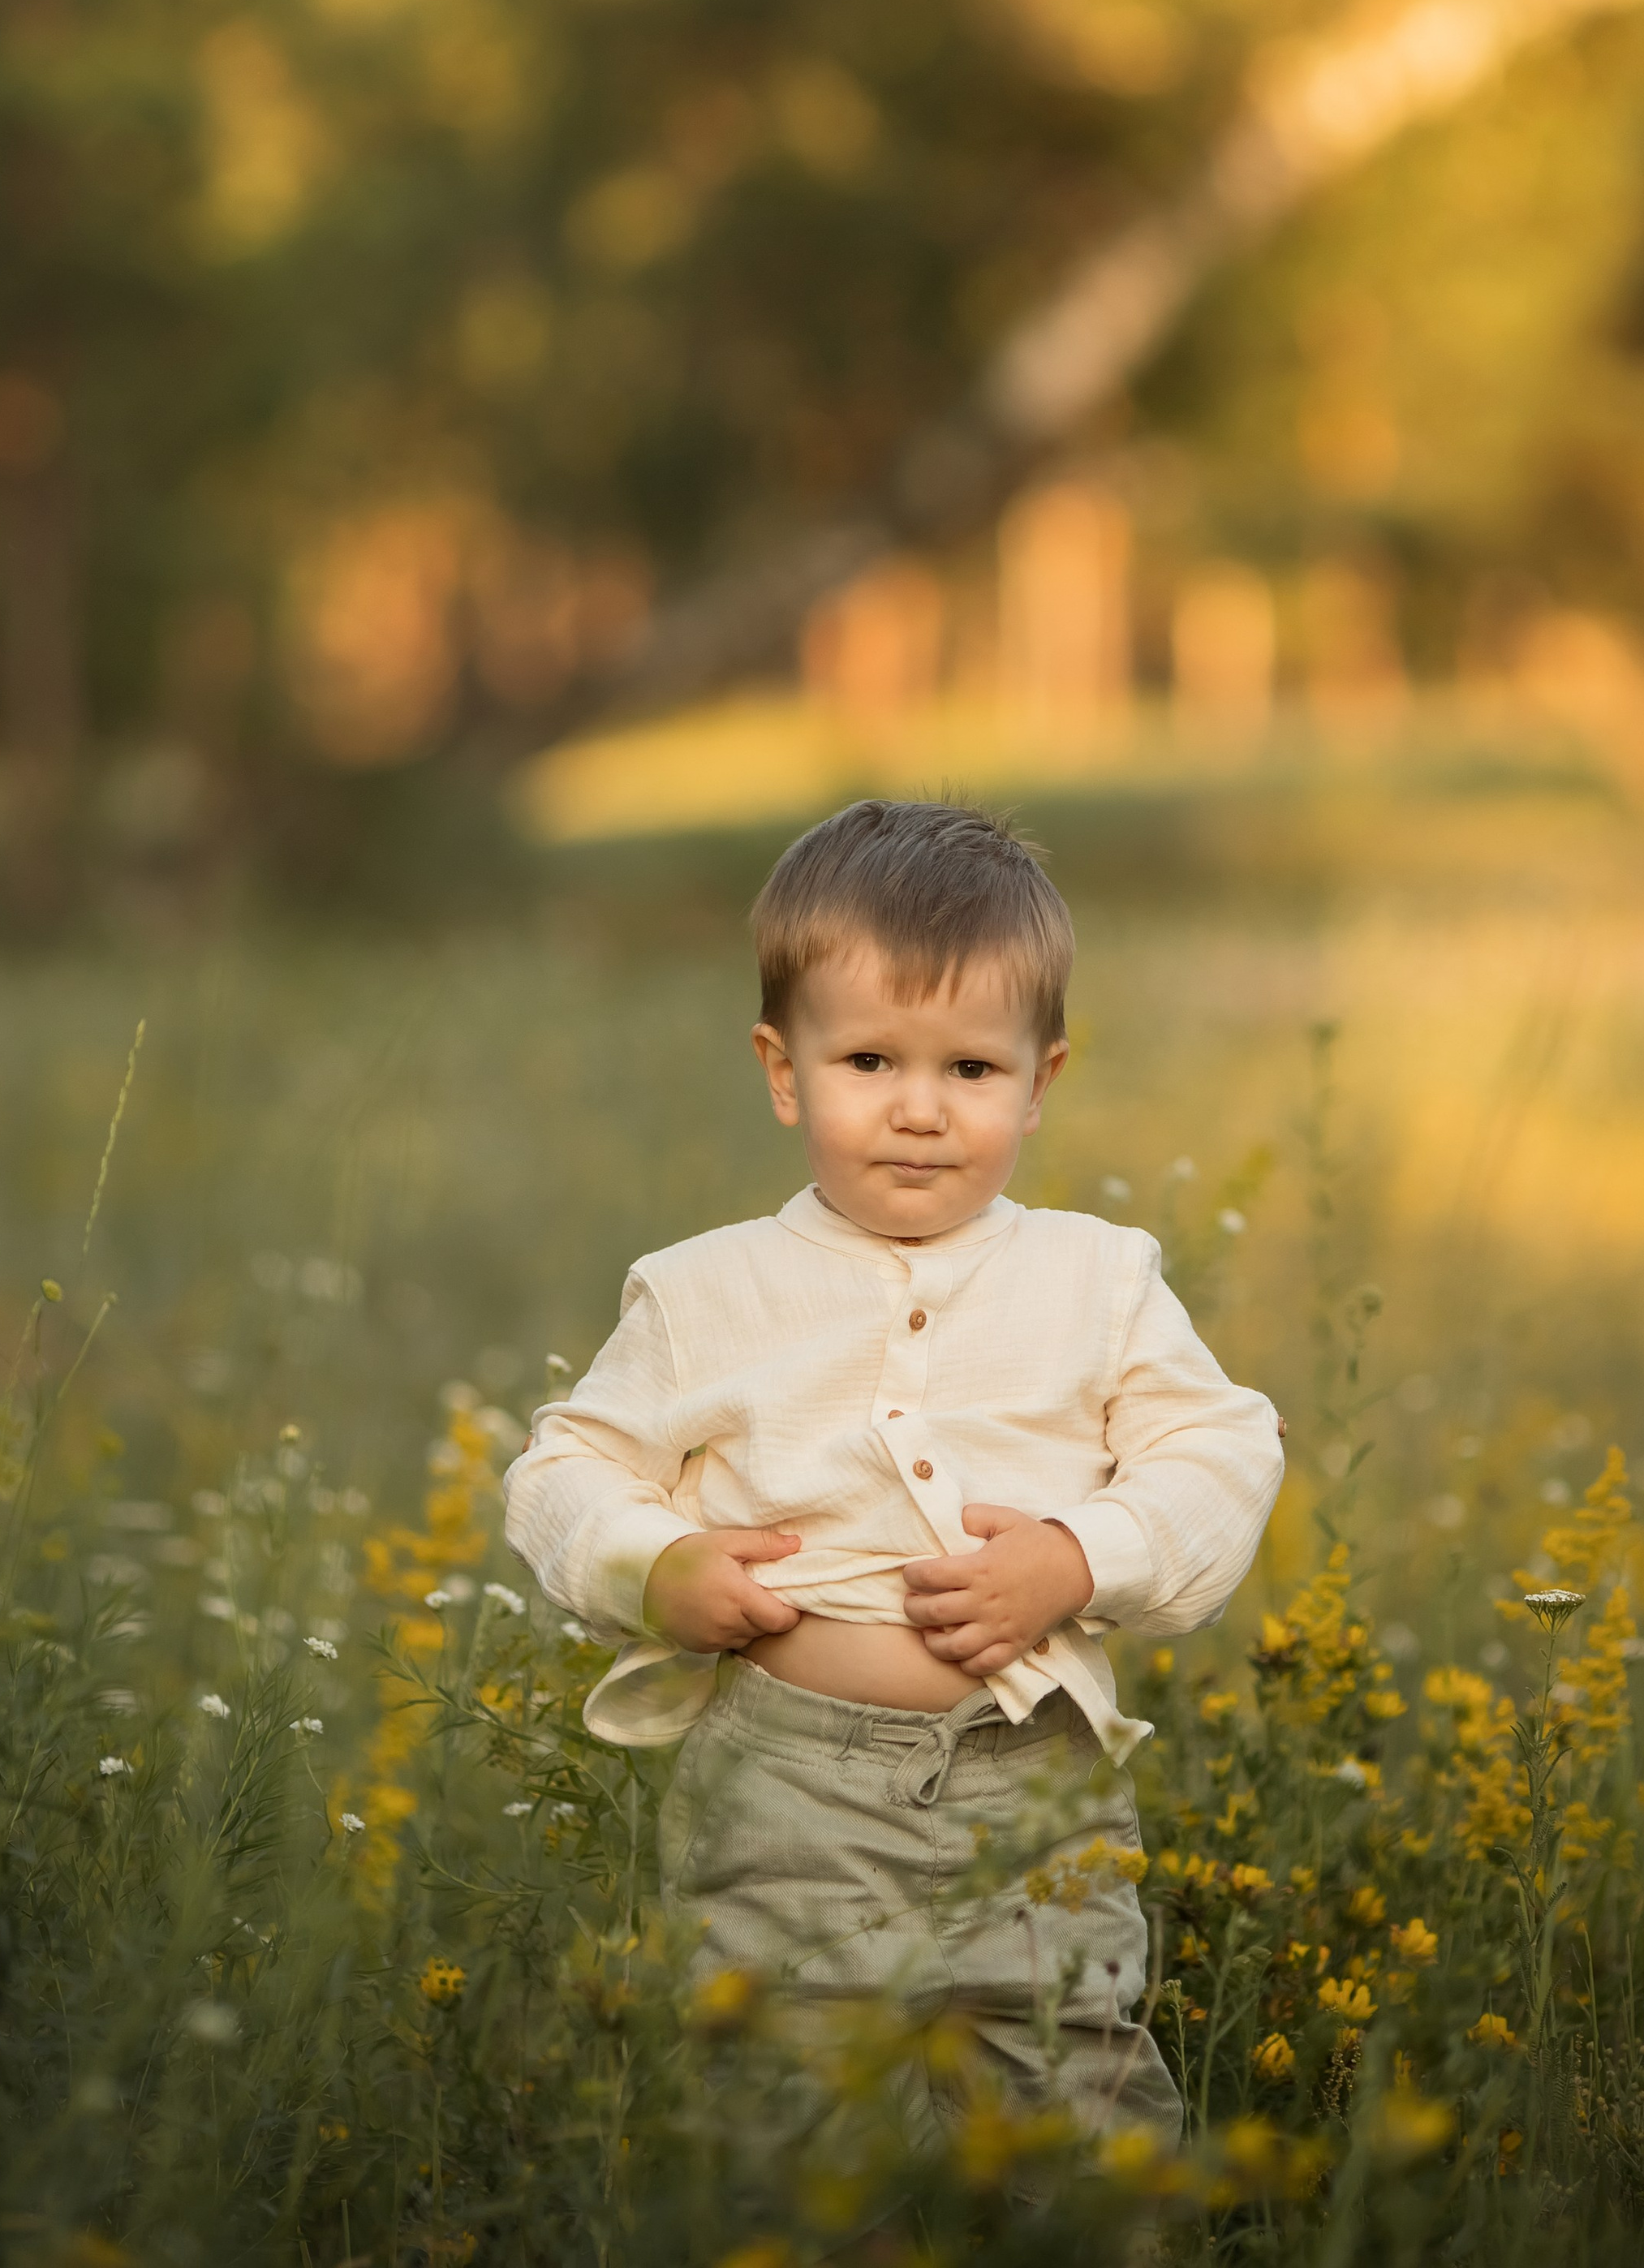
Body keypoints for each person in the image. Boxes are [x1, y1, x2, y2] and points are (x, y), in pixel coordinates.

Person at [503, 796, 1284, 2144]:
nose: (920, 1112)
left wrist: (1080, 1557)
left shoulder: (1097, 1279)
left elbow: (1222, 1448)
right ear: (783, 1069)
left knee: (1078, 2105)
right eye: (869, 1059)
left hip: (1034, 1780)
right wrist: (655, 1568)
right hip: (786, 1788)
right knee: (791, 2122)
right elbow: (565, 1467)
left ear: (1040, 1084)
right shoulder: (708, 1292)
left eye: (970, 1072)